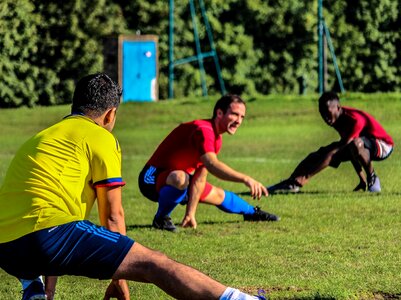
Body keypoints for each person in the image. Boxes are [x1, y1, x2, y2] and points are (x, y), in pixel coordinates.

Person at [0, 74, 266, 300]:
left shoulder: (40, 138)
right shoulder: (101, 138)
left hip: (6, 247)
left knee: (48, 232)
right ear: (110, 113)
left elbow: (41, 208)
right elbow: (113, 216)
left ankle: (32, 285)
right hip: (48, 235)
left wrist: (50, 290)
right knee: (154, 263)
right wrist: (120, 277)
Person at [139, 94, 279, 232]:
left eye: (242, 117)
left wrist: (190, 214)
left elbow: (200, 179)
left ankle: (252, 213)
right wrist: (246, 179)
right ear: (219, 113)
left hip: (180, 181)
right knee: (181, 178)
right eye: (235, 114)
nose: (239, 121)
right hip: (151, 178)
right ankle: (161, 218)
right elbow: (212, 164)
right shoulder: (203, 130)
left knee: (217, 195)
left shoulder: (216, 139)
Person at [267, 91, 394, 194]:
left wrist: (306, 177)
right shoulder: (336, 119)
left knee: (343, 148)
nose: (325, 118)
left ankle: (372, 177)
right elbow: (351, 152)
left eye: (327, 113)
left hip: (383, 145)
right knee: (317, 155)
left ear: (338, 108)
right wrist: (361, 180)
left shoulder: (355, 120)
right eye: (322, 114)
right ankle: (290, 183)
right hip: (360, 144)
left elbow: (346, 149)